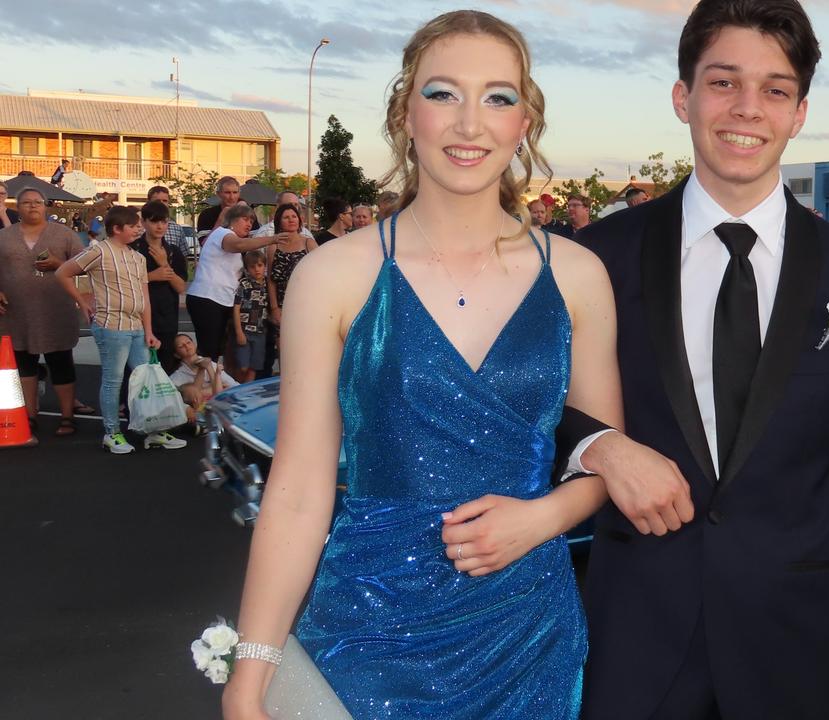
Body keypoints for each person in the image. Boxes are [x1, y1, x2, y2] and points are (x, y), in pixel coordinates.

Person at [222, 11, 620, 719]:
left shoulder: (579, 275)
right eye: (443, 93)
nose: (471, 123)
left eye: (498, 97)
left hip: (526, 635)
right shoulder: (333, 275)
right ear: (407, 114)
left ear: (524, 122)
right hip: (364, 634)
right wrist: (250, 675)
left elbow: (600, 459)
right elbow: (297, 494)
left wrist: (542, 518)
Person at [557, 1, 829, 717]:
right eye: (723, 82)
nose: (747, 109)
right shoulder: (597, 256)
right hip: (637, 645)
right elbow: (533, 413)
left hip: (799, 652)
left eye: (775, 90)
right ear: (683, 97)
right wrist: (600, 447)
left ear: (800, 111)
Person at [55, 206, 186, 453]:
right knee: (113, 380)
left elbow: (144, 295)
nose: (139, 229)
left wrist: (148, 330)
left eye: (138, 225)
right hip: (111, 326)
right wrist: (82, 301)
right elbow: (63, 272)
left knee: (144, 380)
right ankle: (112, 432)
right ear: (117, 229)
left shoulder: (137, 257)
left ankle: (152, 431)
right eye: (134, 225)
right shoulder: (99, 252)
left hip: (136, 326)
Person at [0, 188, 83, 440]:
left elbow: (86, 264)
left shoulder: (64, 234)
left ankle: (67, 416)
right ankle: (29, 415)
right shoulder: (4, 236)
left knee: (61, 364)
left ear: (46, 206)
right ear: (18, 207)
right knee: (24, 366)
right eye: (26, 203)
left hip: (55, 312)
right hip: (16, 314)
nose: (32, 206)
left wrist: (59, 264)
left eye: (37, 202)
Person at [186, 204, 281, 361]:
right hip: (208, 299)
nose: (249, 224)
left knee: (219, 350)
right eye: (245, 219)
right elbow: (239, 245)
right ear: (232, 220)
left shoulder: (231, 241)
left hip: (223, 300)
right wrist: (273, 239)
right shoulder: (222, 233)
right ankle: (205, 382)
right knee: (209, 350)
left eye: (251, 221)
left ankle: (215, 381)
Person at [132, 200, 188, 374]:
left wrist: (164, 264)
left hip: (168, 316)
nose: (160, 226)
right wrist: (151, 276)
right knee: (138, 367)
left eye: (164, 221)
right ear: (144, 222)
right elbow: (125, 282)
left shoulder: (173, 251)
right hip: (138, 315)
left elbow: (181, 287)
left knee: (165, 364)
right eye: (154, 221)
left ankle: (163, 400)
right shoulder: (134, 249)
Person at [264, 203, 317, 328]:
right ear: (279, 221)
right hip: (282, 303)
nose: (291, 219)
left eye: (294, 216)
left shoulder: (309, 243)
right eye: (286, 217)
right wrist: (274, 308)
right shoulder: (273, 247)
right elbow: (271, 280)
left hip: (306, 302)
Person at [170, 333, 238, 426]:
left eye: (188, 342)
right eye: (181, 346)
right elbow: (171, 400)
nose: (186, 346)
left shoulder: (212, 364)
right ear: (177, 355)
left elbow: (233, 385)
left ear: (194, 344)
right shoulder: (177, 376)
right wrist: (186, 407)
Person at [232, 252, 269, 383]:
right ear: (247, 269)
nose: (257, 269)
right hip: (245, 331)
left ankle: (247, 391)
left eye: (260, 265)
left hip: (260, 331)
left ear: (265, 266)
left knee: (254, 366)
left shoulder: (267, 284)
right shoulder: (244, 284)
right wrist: (238, 332)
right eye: (252, 267)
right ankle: (236, 386)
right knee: (243, 366)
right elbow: (236, 307)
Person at [196, 177, 261, 238]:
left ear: (239, 194)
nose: (231, 197)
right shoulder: (207, 214)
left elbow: (256, 239)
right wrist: (220, 219)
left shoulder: (247, 213)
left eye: (235, 192)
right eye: (227, 193)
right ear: (218, 194)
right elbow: (204, 243)